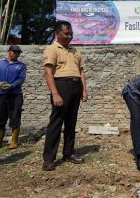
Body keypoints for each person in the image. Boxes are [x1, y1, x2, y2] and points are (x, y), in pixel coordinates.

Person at [42, 20, 88, 171]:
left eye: (71, 33)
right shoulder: (52, 49)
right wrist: (55, 93)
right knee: (56, 123)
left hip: (76, 86)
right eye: (66, 33)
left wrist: (84, 90)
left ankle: (68, 153)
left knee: (71, 122)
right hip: (61, 86)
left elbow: (81, 71)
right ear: (57, 34)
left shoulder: (76, 51)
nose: (69, 36)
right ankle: (49, 159)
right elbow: (48, 73)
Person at [0, 45, 26, 149]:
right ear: (9, 51)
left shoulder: (21, 66)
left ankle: (14, 141)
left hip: (15, 94)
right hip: (0, 93)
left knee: (15, 115)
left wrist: (11, 85)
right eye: (14, 51)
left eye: (18, 52)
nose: (16, 54)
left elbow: (21, 79)